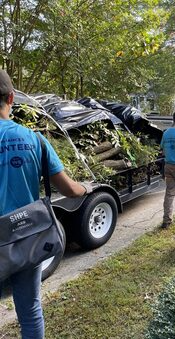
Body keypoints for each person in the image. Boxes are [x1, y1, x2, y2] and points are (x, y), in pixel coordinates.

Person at [0, 70, 91, 339]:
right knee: (29, 311)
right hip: (26, 237)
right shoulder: (35, 140)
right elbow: (69, 189)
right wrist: (87, 186)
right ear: (12, 98)